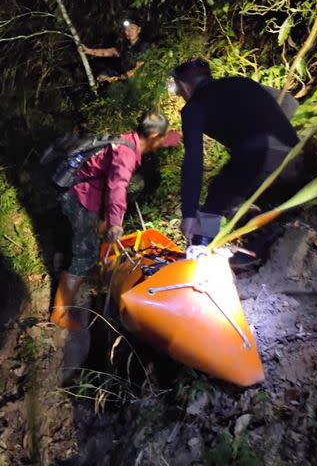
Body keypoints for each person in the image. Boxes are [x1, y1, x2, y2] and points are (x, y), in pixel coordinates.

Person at [50, 112, 180, 329]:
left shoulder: (129, 138)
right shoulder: (126, 155)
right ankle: (59, 314)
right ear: (153, 135)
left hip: (87, 191)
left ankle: (85, 255)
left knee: (133, 188)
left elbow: (115, 181)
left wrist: (174, 138)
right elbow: (117, 186)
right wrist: (115, 222)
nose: (162, 142)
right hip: (79, 196)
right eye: (162, 138)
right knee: (85, 254)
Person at [168, 58, 300, 247]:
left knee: (218, 193)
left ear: (183, 86)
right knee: (239, 189)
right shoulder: (240, 82)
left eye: (179, 91)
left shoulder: (194, 106)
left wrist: (189, 213)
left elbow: (193, 160)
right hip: (296, 155)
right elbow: (290, 103)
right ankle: (264, 238)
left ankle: (200, 249)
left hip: (262, 156)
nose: (181, 95)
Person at [81, 18, 150, 83]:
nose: (129, 31)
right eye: (127, 29)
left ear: (139, 30)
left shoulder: (144, 46)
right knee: (102, 73)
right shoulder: (125, 47)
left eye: (132, 28)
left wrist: (118, 78)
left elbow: (137, 69)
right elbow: (106, 52)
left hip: (137, 80)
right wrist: (88, 51)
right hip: (123, 77)